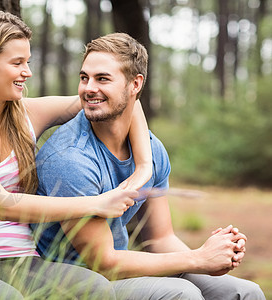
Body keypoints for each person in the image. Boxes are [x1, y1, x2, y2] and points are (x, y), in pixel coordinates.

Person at [0, 11, 153, 299]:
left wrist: (143, 168)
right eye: (17, 63)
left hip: (22, 263)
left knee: (96, 289)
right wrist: (96, 204)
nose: (27, 72)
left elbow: (120, 99)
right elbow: (2, 203)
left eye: (27, 62)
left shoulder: (26, 115)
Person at [31, 32, 266, 299]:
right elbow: (104, 263)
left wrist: (214, 255)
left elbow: (161, 239)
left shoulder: (151, 151)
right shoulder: (70, 158)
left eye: (102, 78)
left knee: (245, 292)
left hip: (123, 267)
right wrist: (199, 258)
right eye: (84, 77)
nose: (88, 88)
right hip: (75, 280)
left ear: (135, 85)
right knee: (182, 294)